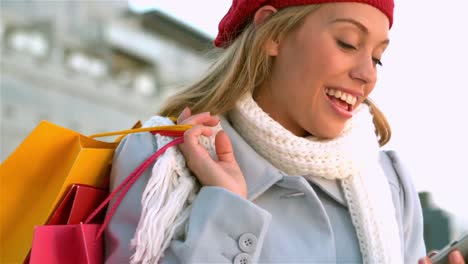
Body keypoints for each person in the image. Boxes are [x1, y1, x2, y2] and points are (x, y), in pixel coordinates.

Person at [104, 1, 464, 263]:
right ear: (272, 34)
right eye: (348, 43)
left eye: (377, 57)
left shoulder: (390, 183)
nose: (368, 75)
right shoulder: (161, 164)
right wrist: (227, 205)